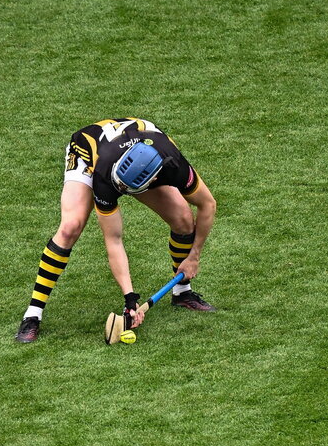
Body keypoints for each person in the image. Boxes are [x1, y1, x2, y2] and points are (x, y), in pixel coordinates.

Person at [15, 117, 217, 342]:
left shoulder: (174, 166)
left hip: (145, 154)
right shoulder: (104, 175)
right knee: (70, 227)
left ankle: (182, 291)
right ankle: (33, 314)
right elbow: (113, 239)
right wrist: (130, 298)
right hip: (90, 156)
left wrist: (194, 256)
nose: (122, 192)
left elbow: (207, 204)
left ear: (155, 179)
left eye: (128, 190)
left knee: (183, 220)